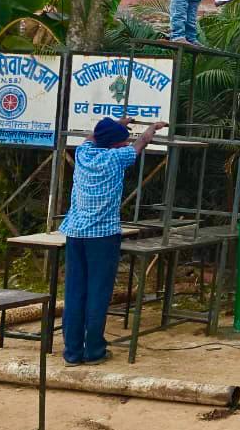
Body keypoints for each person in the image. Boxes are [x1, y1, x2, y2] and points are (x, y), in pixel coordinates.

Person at [59, 117, 166, 366]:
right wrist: (153, 128)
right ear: (114, 144)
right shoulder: (116, 158)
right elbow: (142, 142)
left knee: (75, 292)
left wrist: (117, 123)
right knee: (98, 293)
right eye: (122, 141)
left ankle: (72, 352)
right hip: (103, 237)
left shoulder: (83, 153)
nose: (125, 143)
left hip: (75, 234)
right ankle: (94, 350)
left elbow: (93, 137)